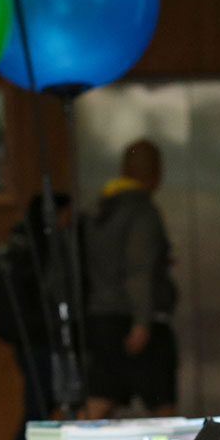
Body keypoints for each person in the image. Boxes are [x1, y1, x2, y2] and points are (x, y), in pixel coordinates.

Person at [82, 140, 179, 419]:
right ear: (155, 171)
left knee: (100, 397)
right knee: (163, 407)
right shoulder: (141, 212)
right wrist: (141, 321)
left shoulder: (100, 209)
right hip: (136, 320)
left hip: (101, 315)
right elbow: (139, 268)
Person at [0, 192, 76, 440]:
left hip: (25, 339)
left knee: (39, 403)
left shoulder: (16, 243)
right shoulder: (44, 247)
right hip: (42, 337)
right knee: (40, 406)